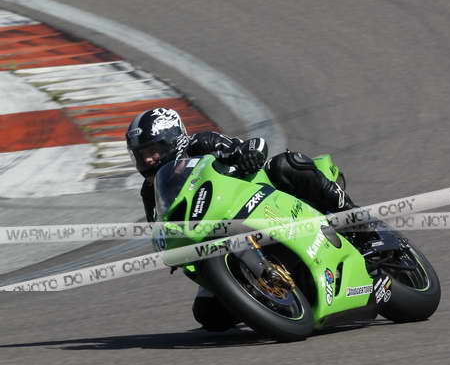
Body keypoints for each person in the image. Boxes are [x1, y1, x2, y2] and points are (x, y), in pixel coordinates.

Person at [126, 107, 349, 329]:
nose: (148, 159)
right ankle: (267, 302)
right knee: (208, 315)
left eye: (153, 150)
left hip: (257, 200)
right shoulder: (150, 191)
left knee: (286, 164)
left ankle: (354, 220)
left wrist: (249, 155)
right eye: (141, 155)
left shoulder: (202, 143)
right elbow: (159, 228)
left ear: (174, 141)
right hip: (213, 238)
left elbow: (253, 145)